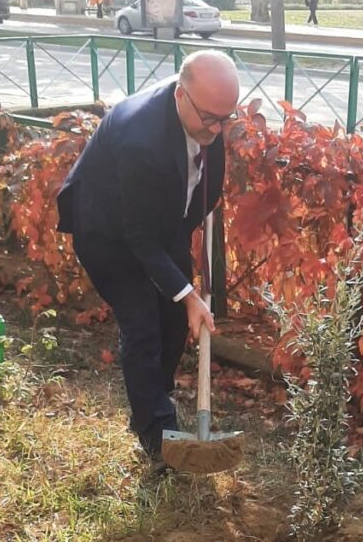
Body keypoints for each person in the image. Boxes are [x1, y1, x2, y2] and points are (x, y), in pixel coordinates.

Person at [56, 50, 239, 472]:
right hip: (109, 233)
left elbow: (202, 189)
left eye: (224, 119)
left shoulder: (207, 115)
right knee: (143, 327)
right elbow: (137, 237)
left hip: (159, 223)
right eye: (210, 118)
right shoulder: (142, 140)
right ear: (180, 95)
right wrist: (188, 292)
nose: (217, 129)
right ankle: (160, 442)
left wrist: (188, 292)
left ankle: (150, 401)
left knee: (175, 322)